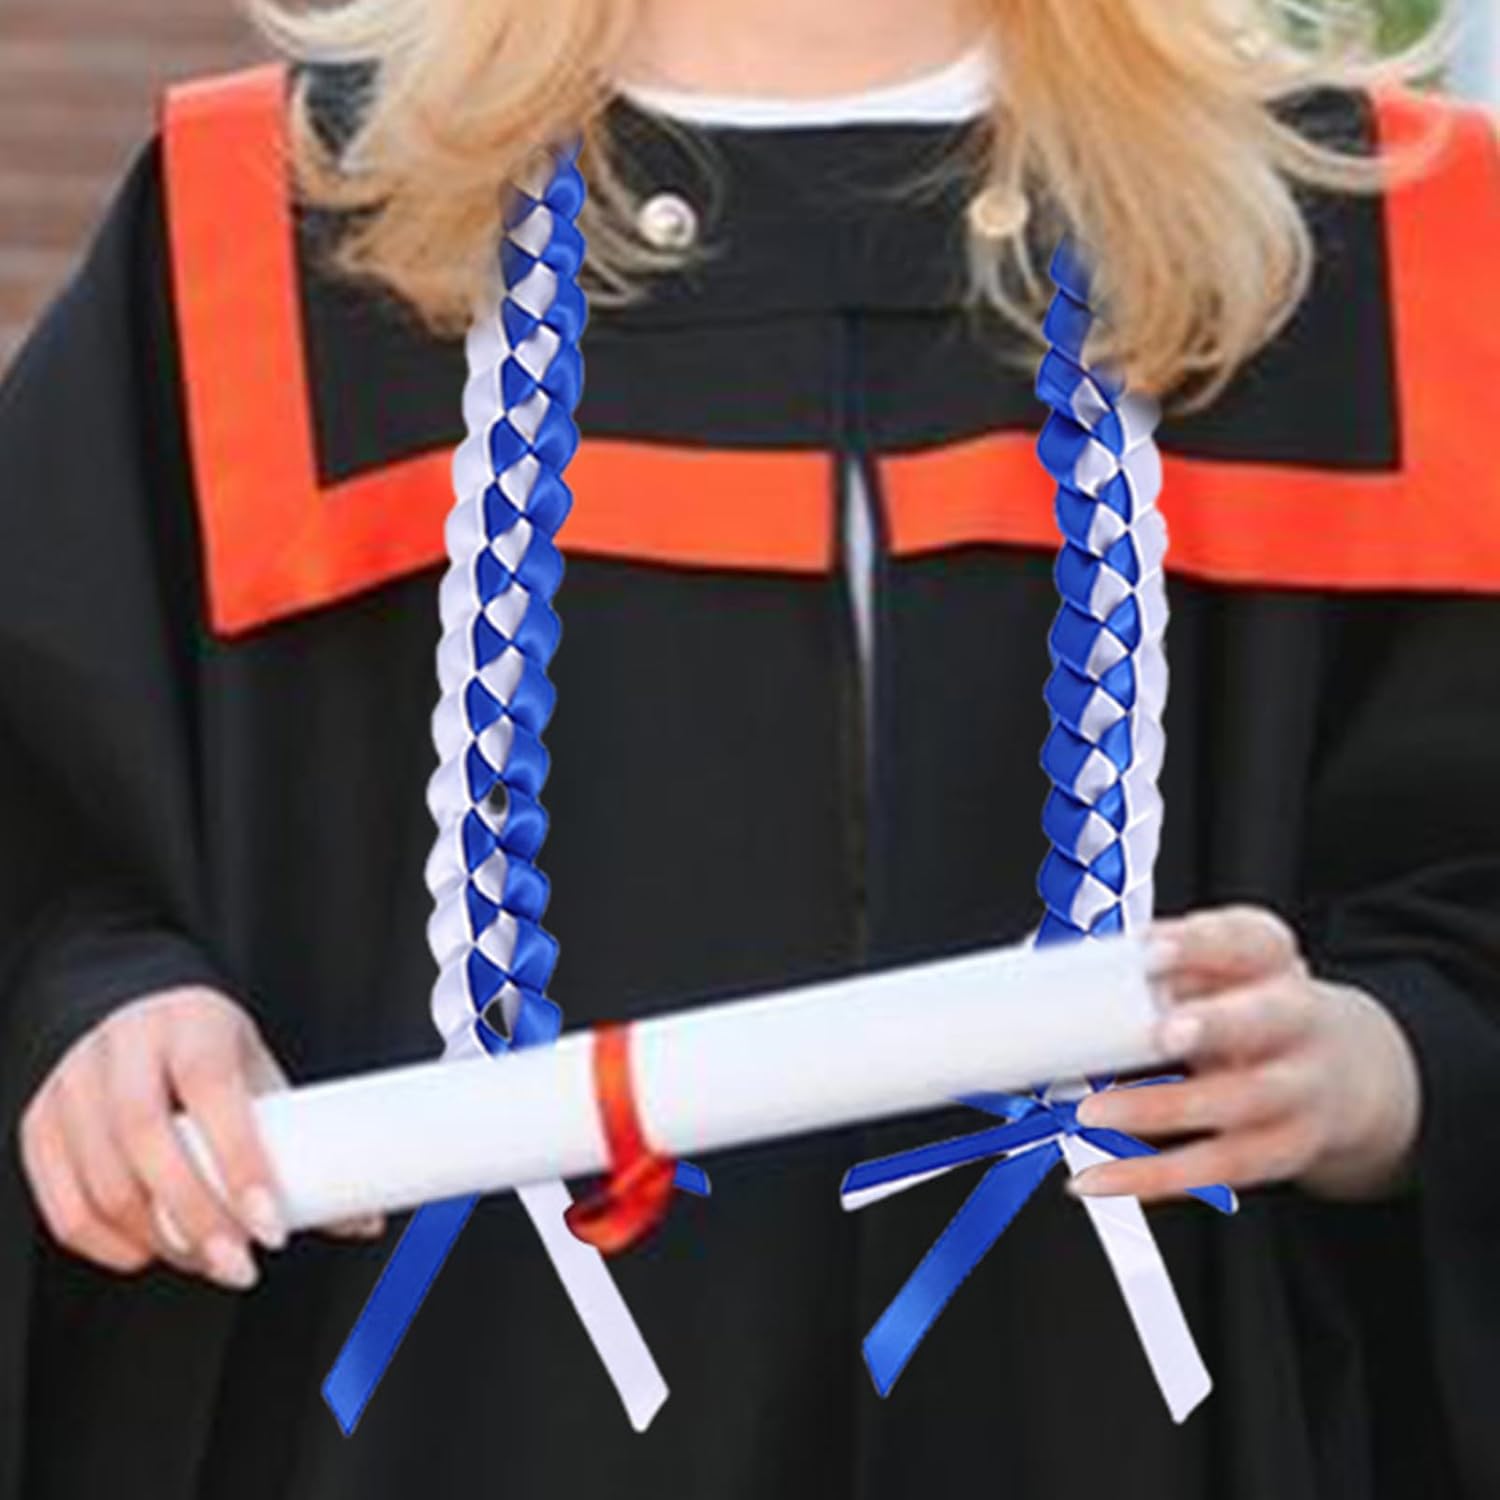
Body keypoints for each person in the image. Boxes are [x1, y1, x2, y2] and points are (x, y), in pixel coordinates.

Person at [1, 0, 1497, 1495]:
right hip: (445, 1430)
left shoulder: (1361, 240)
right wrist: (101, 1010)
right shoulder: (276, 227)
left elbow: (1461, 904)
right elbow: (48, 831)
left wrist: (1386, 1069)